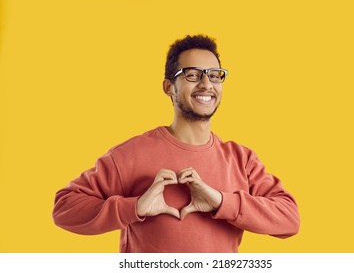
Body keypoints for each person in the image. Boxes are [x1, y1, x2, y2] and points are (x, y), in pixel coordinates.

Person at [52, 35, 300, 253]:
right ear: (169, 86)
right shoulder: (129, 155)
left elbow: (289, 219)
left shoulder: (242, 159)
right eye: (192, 75)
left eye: (215, 75)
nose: (206, 84)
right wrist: (134, 207)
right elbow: (65, 208)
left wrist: (221, 202)